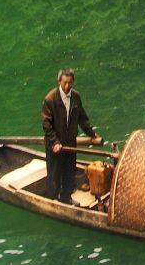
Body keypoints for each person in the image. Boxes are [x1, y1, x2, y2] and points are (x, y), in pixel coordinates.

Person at [39, 69, 102, 203]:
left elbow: (82, 118)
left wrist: (91, 133)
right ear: (59, 82)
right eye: (65, 83)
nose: (67, 86)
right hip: (55, 144)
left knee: (69, 172)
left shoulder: (75, 97)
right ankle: (51, 199)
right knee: (54, 174)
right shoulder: (50, 99)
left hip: (70, 142)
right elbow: (46, 124)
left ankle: (66, 197)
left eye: (70, 83)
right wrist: (54, 142)